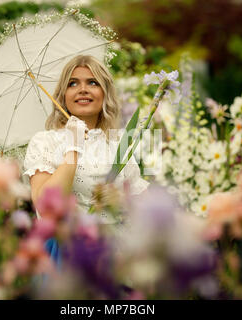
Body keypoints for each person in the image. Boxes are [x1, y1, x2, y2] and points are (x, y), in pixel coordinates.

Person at [23, 55, 149, 227]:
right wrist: (73, 147)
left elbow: (147, 210)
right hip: (69, 246)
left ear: (105, 93)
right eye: (73, 83)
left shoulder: (117, 142)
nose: (83, 89)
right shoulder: (44, 141)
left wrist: (122, 201)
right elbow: (45, 206)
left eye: (93, 82)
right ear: (63, 94)